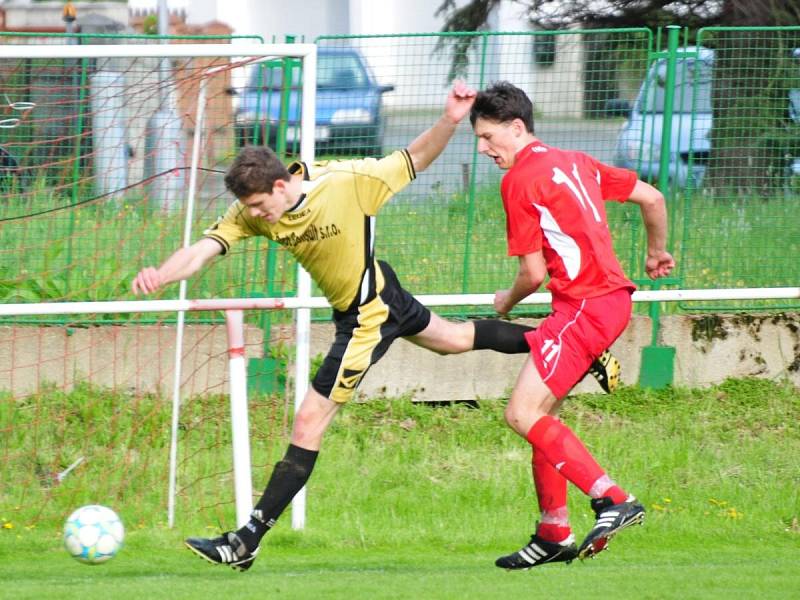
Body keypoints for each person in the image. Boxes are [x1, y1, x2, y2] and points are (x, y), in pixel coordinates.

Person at [131, 82, 618, 572]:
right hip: (382, 289)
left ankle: (246, 540)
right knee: (451, 340)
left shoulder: (346, 182)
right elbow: (203, 250)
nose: (257, 218)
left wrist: (450, 119)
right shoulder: (252, 211)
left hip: (368, 315)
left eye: (260, 207)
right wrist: (161, 274)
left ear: (281, 186)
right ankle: (567, 345)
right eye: (251, 211)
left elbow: (414, 158)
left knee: (309, 421)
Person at [469, 82, 675, 570]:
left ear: (516, 129)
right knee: (544, 418)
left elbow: (532, 273)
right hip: (610, 304)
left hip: (582, 308)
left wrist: (507, 300)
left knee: (520, 415)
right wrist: (655, 251)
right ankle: (553, 532)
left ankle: (613, 499)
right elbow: (652, 197)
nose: (482, 149)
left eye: (486, 136)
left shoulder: (518, 180)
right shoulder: (577, 160)